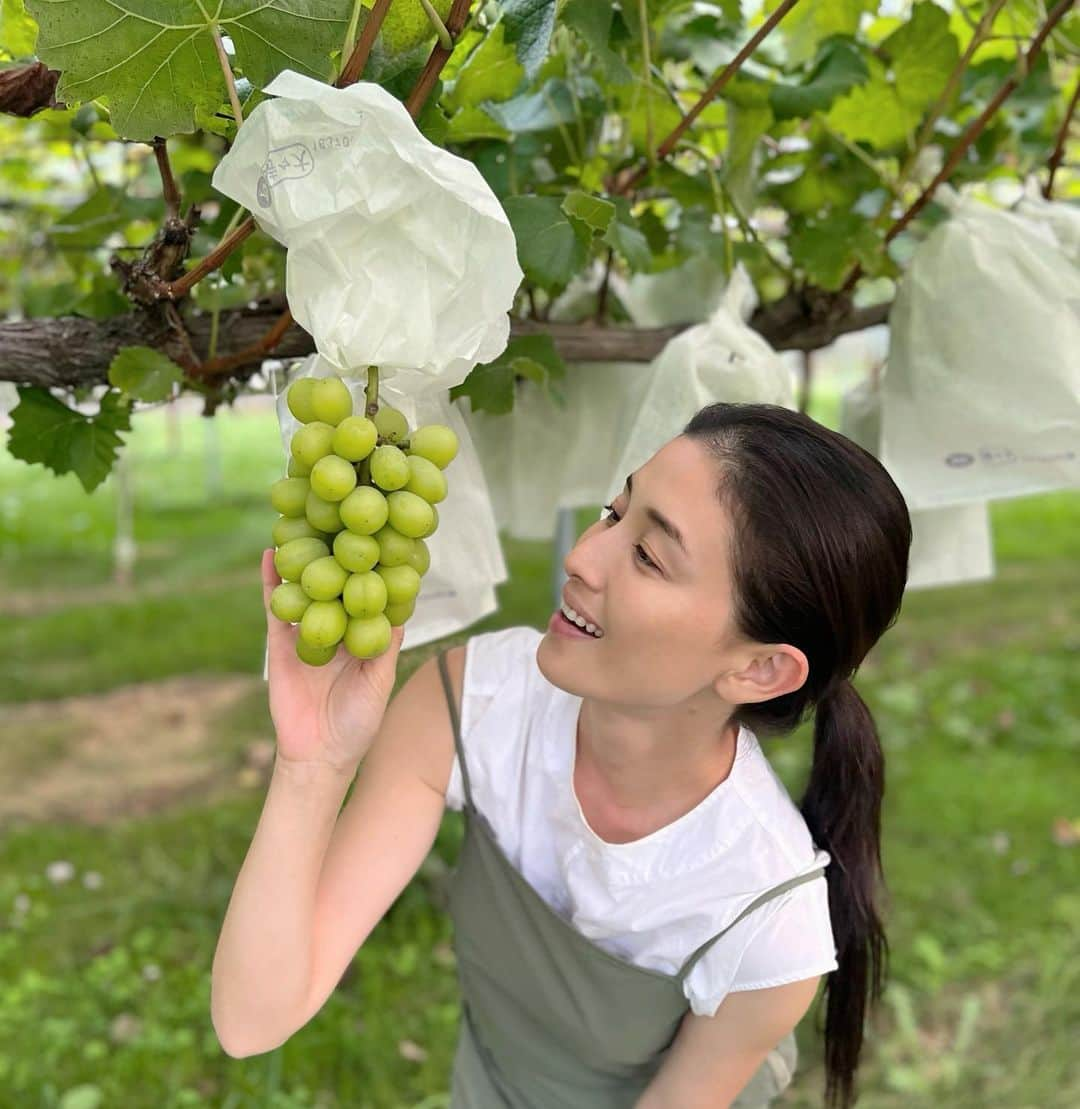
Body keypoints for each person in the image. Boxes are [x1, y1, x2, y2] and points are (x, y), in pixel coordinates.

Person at [211, 402, 912, 1109]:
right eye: (614, 513)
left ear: (759, 670)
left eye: (647, 555)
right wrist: (314, 764)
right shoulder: (480, 701)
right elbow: (252, 1018)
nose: (581, 555)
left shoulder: (764, 913)